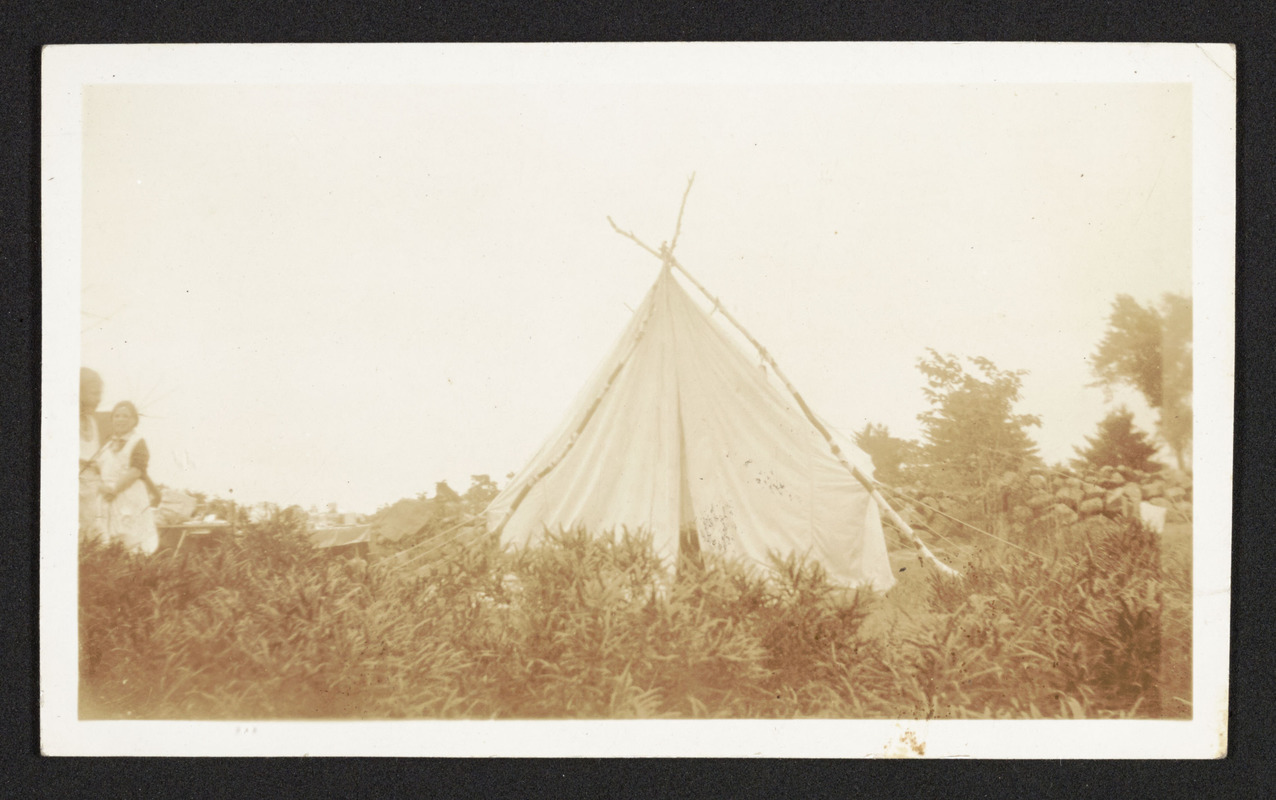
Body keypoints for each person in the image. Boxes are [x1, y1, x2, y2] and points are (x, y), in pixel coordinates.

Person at [96, 401, 159, 554]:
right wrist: (101, 486)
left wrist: (114, 489)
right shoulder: (106, 444)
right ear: (111, 420)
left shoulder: (138, 442)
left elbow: (136, 470)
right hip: (106, 498)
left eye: (126, 416)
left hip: (129, 496)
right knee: (105, 541)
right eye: (117, 416)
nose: (120, 419)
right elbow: (95, 471)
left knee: (133, 543)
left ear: (134, 420)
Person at [79, 368, 106, 540]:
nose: (99, 400)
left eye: (100, 394)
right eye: (95, 393)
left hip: (92, 491)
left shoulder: (92, 422)